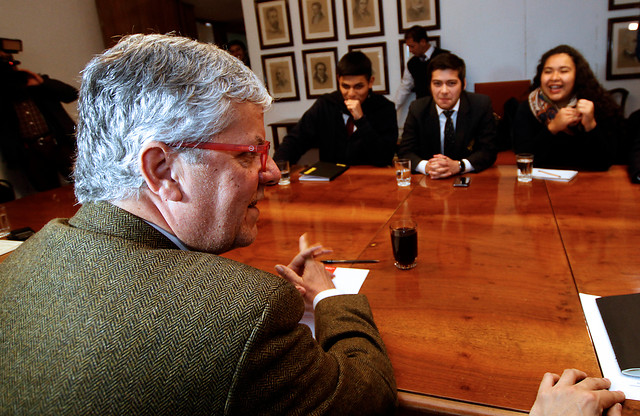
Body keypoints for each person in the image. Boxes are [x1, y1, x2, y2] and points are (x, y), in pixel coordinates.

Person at [0, 34, 398, 414]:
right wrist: (330, 298)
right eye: (248, 154)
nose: (273, 172)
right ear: (163, 170)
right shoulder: (242, 313)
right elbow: (368, 397)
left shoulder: (12, 271)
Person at [273, 51, 397, 167]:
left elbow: (384, 157)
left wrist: (361, 120)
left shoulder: (385, 108)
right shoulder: (326, 104)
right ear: (338, 80)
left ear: (370, 82)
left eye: (358, 87)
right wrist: (276, 168)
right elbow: (295, 140)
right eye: (345, 86)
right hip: (331, 180)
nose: (351, 93)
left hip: (372, 180)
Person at [513, 45, 623, 171]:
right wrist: (552, 128)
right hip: (542, 184)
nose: (554, 78)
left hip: (588, 183)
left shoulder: (597, 104)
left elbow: (605, 162)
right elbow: (523, 162)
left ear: (577, 75)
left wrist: (590, 125)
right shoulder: (528, 108)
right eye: (548, 71)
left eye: (564, 71)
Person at [398, 52, 497, 178]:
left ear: (464, 84)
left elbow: (488, 151)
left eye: (451, 83)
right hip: (429, 181)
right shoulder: (417, 108)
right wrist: (427, 167)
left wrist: (460, 166)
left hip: (469, 181)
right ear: (430, 85)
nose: (444, 91)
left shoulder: (481, 105)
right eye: (437, 83)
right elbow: (405, 152)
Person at [0, 48, 77, 192]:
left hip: (58, 144)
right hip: (29, 152)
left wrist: (42, 83)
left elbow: (71, 94)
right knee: (46, 192)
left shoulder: (36, 83)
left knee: (81, 183)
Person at [394, 25, 449, 111]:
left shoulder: (445, 57)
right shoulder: (411, 64)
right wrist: (391, 109)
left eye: (412, 46)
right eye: (408, 47)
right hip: (422, 110)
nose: (410, 50)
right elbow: (405, 87)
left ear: (423, 42)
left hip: (444, 108)